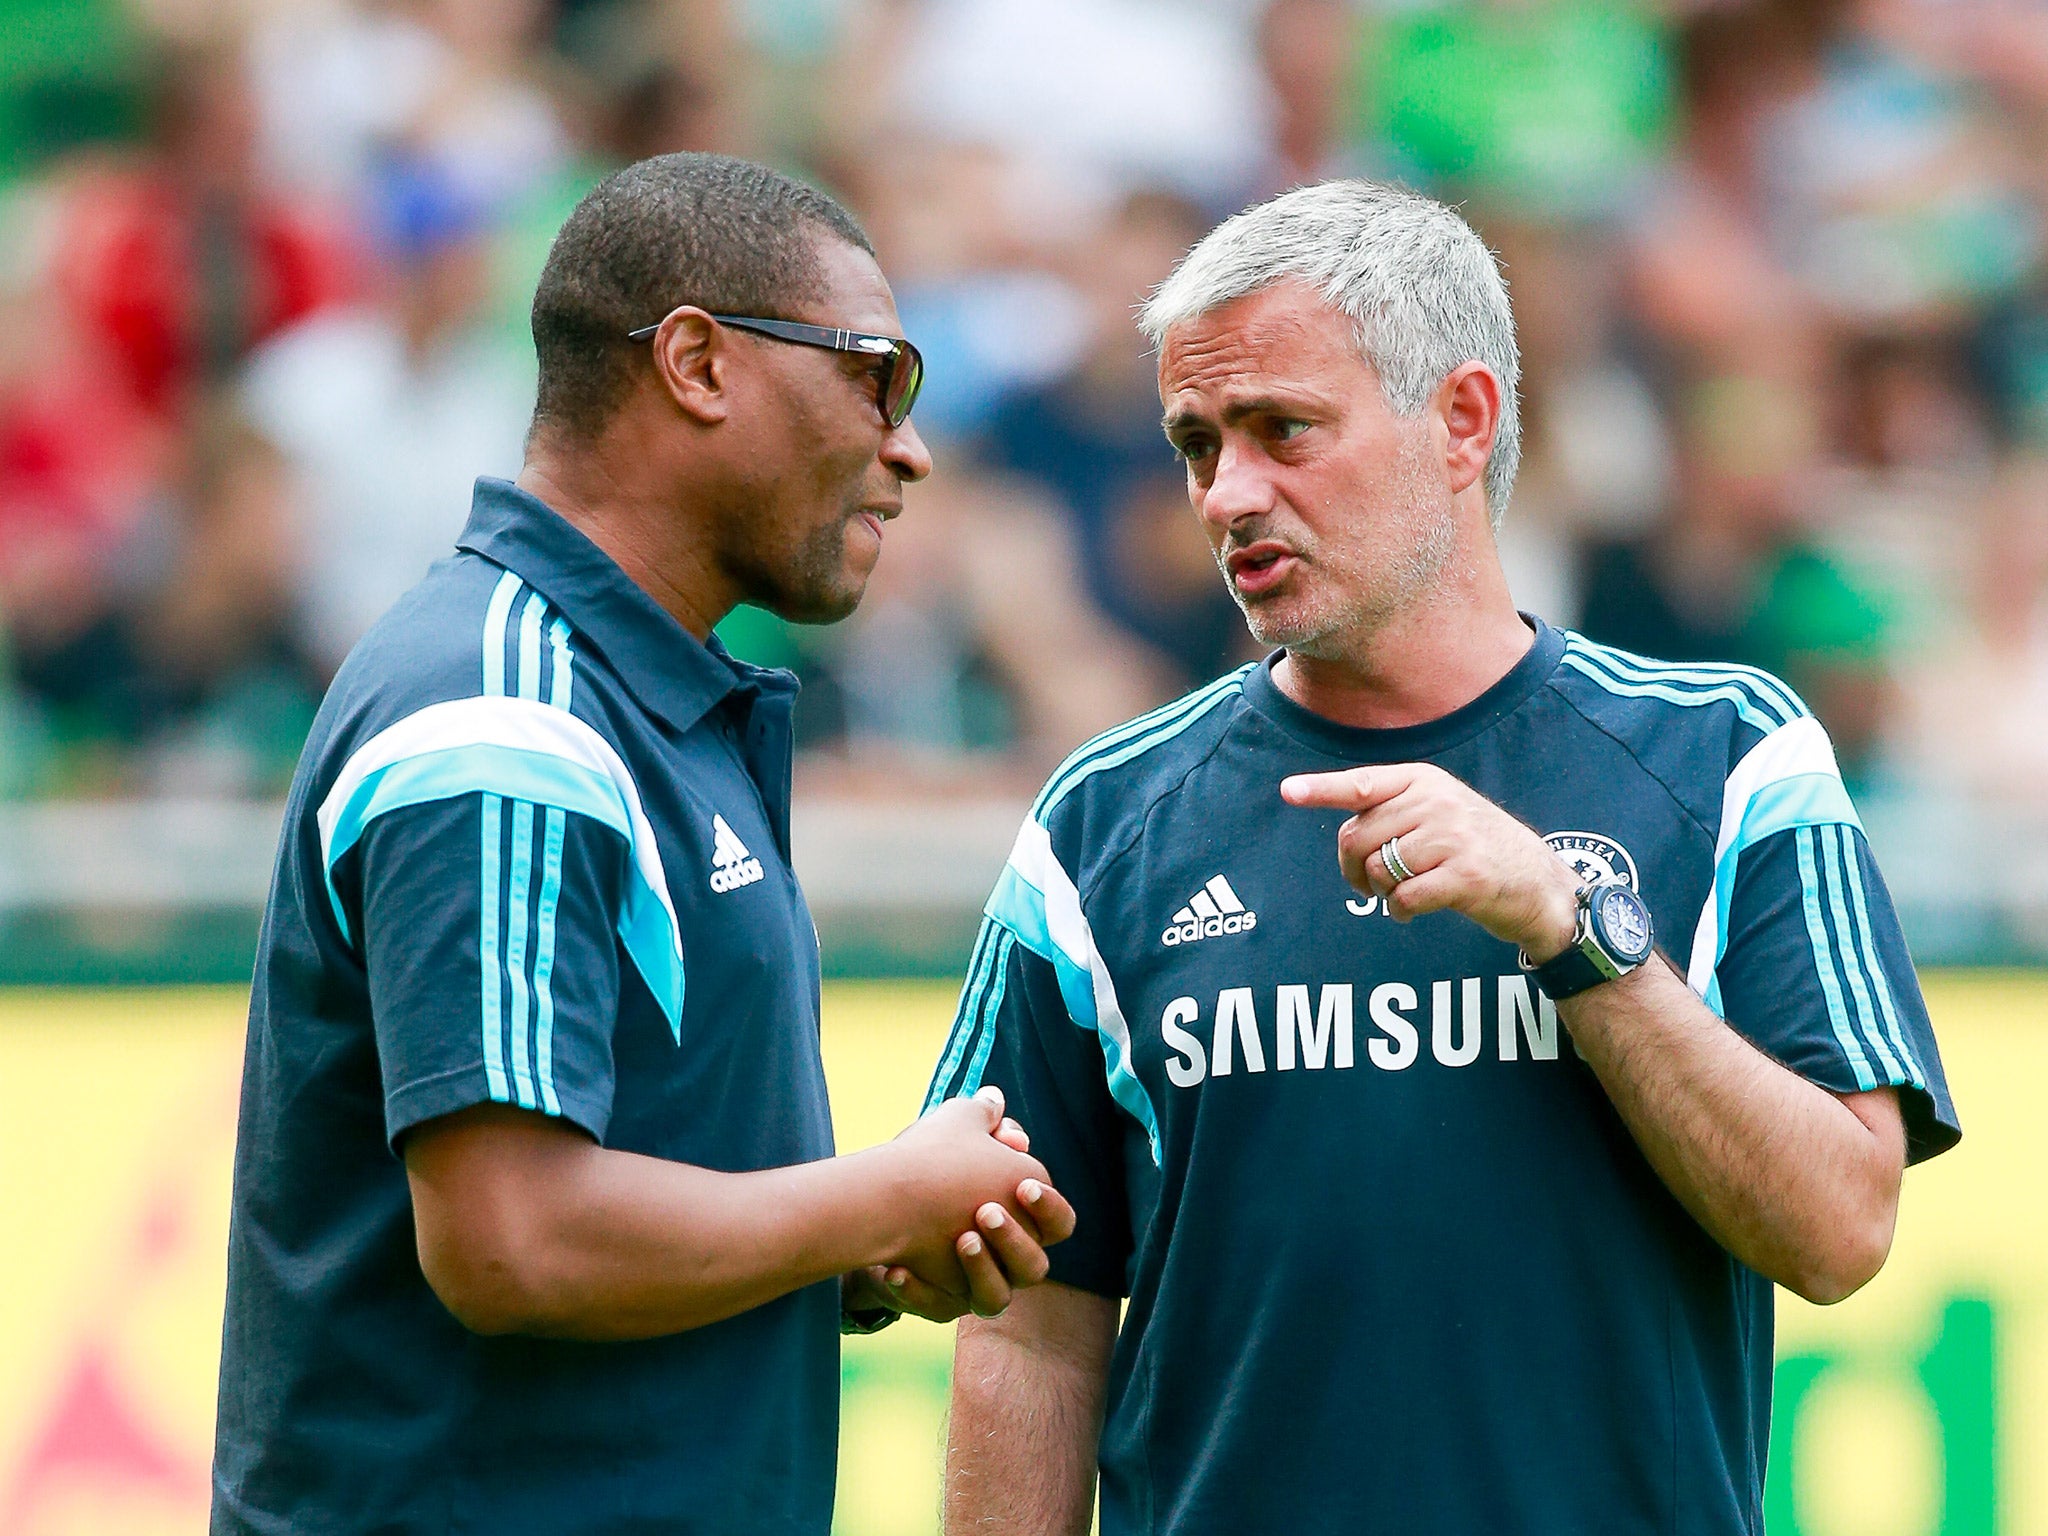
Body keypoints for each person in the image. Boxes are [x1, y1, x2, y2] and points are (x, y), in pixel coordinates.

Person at [929, 180, 1959, 1536]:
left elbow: (1840, 1232)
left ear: (1461, 421)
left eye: (1283, 428)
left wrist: (1576, 931)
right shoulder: (1102, 820)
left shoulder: (1731, 758)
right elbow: (1030, 1328)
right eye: (1197, 442)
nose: (1229, 492)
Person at [211, 152, 1075, 1536]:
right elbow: (511, 1240)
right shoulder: (504, 707)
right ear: (698, 363)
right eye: (878, 375)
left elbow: (615, 1187)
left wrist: (867, 1245)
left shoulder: (625, 697)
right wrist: (870, 1202)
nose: (909, 445)